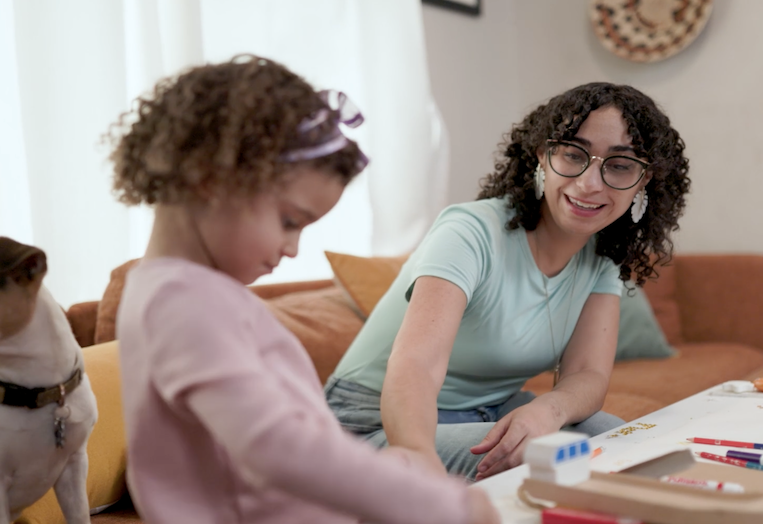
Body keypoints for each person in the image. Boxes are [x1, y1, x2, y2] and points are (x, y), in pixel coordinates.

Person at [108, 55, 500, 524]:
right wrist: (439, 504)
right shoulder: (181, 301)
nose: (293, 248)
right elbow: (273, 446)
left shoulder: (181, 291)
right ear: (210, 180)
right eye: (290, 221)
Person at [326, 82, 691, 482]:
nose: (590, 183)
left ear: (644, 181)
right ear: (543, 156)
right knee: (567, 463)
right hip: (375, 421)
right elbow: (416, 366)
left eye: (620, 165)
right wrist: (418, 462)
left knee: (635, 448)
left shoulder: (601, 257)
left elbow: (587, 374)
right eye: (573, 154)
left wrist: (548, 409)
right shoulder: (470, 232)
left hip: (495, 409)